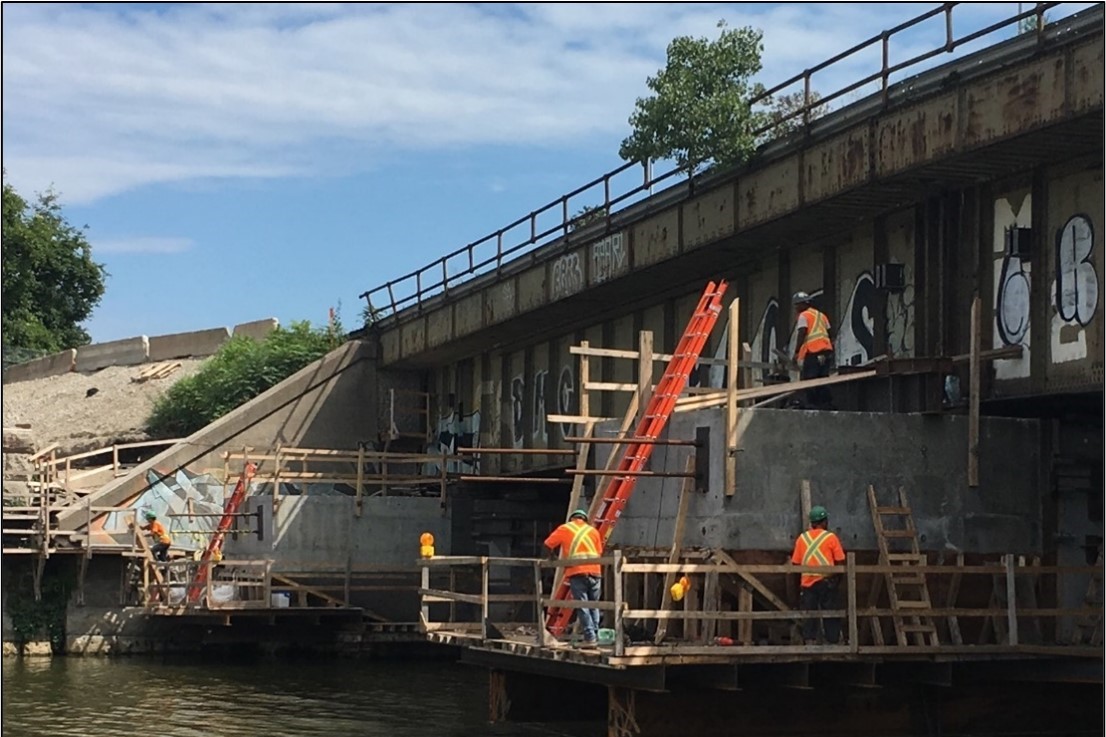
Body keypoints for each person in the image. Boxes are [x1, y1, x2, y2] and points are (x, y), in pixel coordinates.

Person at [544, 508, 604, 646]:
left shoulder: (565, 528)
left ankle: (590, 637)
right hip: (595, 572)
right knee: (594, 605)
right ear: (584, 519)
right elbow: (599, 551)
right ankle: (595, 634)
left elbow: (547, 544)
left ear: (572, 518)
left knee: (582, 606)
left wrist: (551, 557)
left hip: (577, 572)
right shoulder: (593, 531)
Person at [791, 505, 846, 644]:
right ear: (824, 521)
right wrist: (837, 579)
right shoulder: (831, 538)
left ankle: (810, 640)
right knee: (831, 613)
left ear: (812, 523)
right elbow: (840, 561)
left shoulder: (802, 539)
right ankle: (833, 641)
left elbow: (796, 563)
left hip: (808, 583)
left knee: (810, 613)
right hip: (827, 581)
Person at [791, 292, 835, 409]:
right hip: (826, 351)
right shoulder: (821, 315)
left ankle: (812, 405)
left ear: (803, 304)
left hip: (813, 350)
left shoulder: (804, 316)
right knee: (823, 377)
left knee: (810, 378)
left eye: (796, 305)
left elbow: (802, 333)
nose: (796, 308)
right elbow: (831, 333)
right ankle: (826, 404)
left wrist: (796, 352)